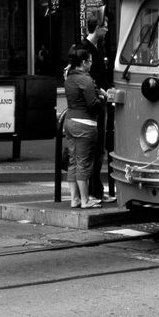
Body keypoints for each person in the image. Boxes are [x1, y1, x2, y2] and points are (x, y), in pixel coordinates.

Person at [63, 47, 106, 209]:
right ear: (83, 63)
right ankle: (86, 200)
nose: (91, 64)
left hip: (69, 122)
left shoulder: (69, 78)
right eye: (89, 61)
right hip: (85, 124)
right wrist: (103, 101)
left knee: (73, 162)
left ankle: (74, 199)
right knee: (84, 163)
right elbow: (92, 104)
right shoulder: (85, 80)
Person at [80, 13, 113, 200]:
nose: (107, 29)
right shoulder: (83, 49)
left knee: (99, 148)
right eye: (105, 26)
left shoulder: (95, 48)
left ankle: (97, 190)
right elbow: (82, 77)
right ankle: (93, 191)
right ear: (98, 27)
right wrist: (101, 90)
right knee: (94, 148)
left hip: (100, 103)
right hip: (92, 105)